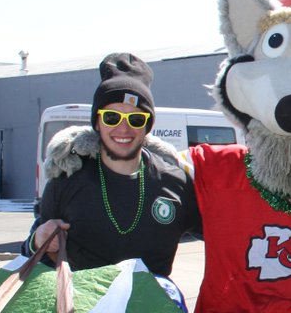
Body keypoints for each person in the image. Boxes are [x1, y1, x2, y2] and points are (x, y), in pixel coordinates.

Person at [25, 52, 200, 277]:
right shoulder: (66, 181)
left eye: (136, 119)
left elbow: (224, 236)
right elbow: (32, 254)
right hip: (84, 310)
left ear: (148, 126)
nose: (123, 129)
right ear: (97, 122)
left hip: (153, 309)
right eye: (112, 117)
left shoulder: (177, 182)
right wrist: (37, 240)